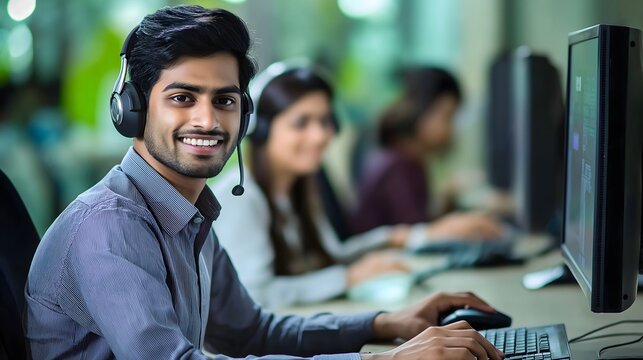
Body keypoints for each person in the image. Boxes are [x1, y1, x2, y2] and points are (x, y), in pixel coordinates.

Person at [25, 6, 503, 360]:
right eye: (183, 97)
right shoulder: (110, 226)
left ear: (245, 114)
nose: (207, 120)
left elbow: (251, 333)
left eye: (225, 100)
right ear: (133, 108)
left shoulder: (188, 215)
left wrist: (387, 324)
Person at [350, 67, 502, 237]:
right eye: (446, 116)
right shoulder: (398, 166)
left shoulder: (407, 158)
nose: (450, 130)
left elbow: (420, 227)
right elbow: (414, 237)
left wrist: (448, 200)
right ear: (421, 110)